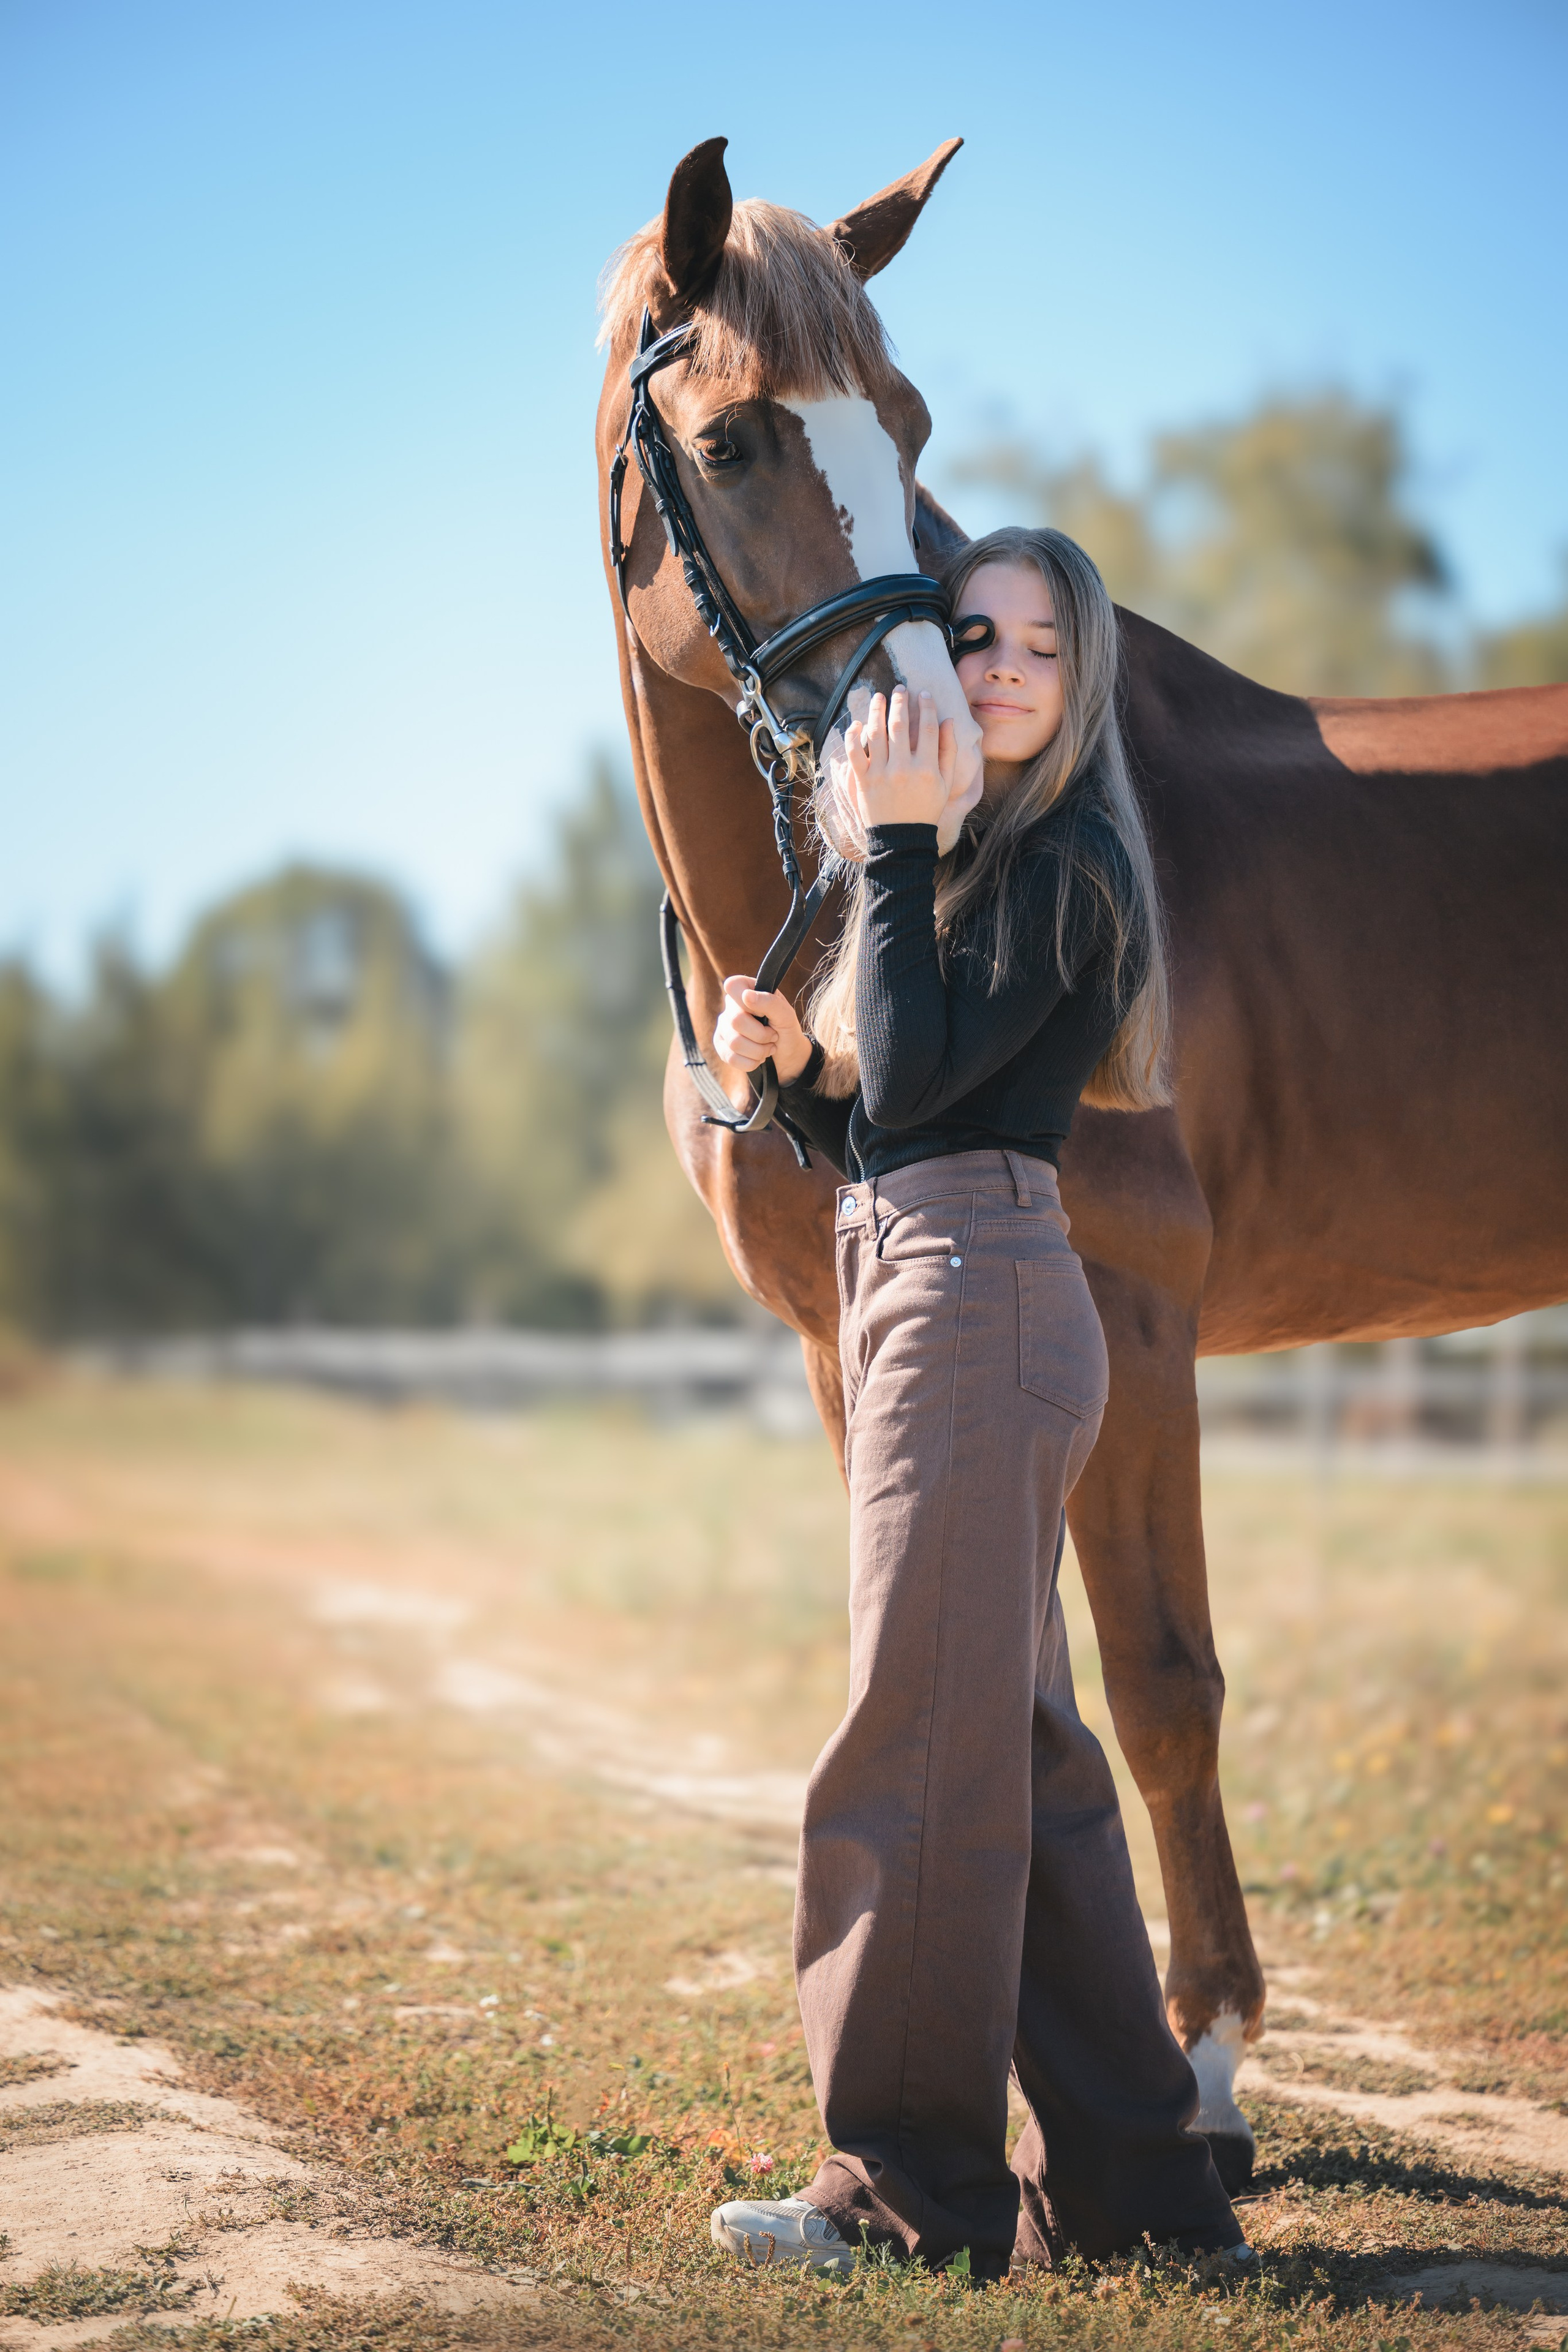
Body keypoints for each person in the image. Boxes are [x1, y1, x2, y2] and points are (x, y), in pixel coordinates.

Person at [706, 527, 1250, 2281]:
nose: (1000, 665)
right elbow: (892, 1118)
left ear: (1081, 675)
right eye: (972, 633)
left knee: (908, 1755)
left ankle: (912, 2199)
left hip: (979, 1301)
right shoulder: (981, 861)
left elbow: (936, 1094)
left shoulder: (1073, 862)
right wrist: (790, 1077)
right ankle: (1139, 2187)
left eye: (1036, 641)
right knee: (1016, 1755)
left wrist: (898, 847)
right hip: (928, 1279)